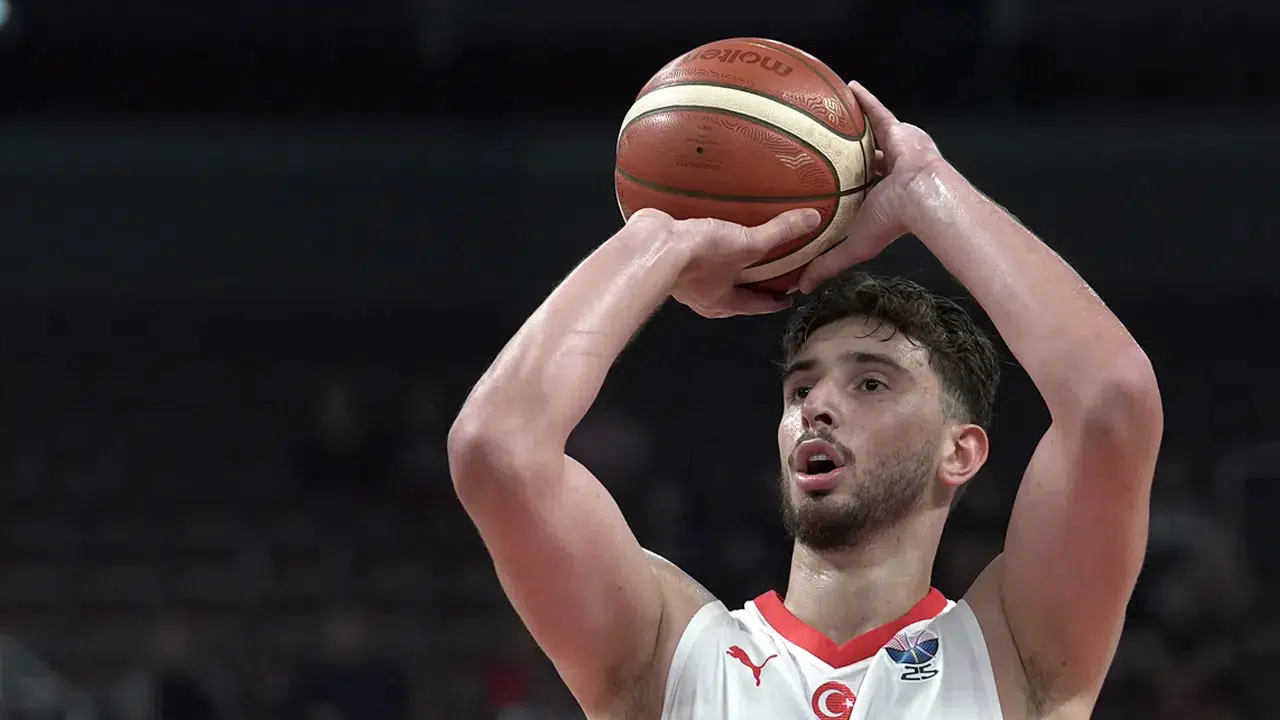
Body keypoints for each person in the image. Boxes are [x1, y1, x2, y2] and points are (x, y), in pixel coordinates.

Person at [447, 82, 1162, 719]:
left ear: (960, 450)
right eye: (800, 387)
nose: (816, 407)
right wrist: (660, 241)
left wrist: (926, 188)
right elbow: (496, 451)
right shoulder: (667, 653)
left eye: (871, 383)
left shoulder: (1016, 654)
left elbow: (1112, 403)